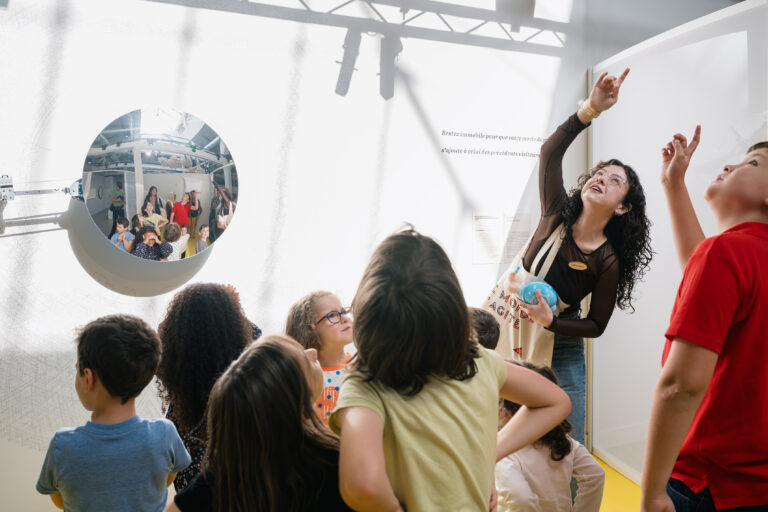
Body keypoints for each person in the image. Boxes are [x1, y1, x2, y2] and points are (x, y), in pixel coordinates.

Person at [330, 227, 571, 512]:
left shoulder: (365, 384)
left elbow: (363, 484)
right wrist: (489, 455)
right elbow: (556, 401)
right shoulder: (481, 361)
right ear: (454, 309)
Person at [496, 68, 652, 444]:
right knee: (494, 422)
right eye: (600, 173)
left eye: (615, 181)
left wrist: (552, 323)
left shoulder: (608, 261)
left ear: (622, 209)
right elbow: (550, 151)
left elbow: (597, 324)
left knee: (569, 441)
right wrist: (590, 110)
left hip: (560, 341)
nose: (601, 178)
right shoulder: (556, 211)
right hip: (509, 321)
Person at [640, 131, 768, 511]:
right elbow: (701, 272)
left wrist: (651, 494)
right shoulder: (740, 256)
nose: (730, 165)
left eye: (753, 163)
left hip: (708, 483)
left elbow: (681, 386)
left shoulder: (726, 253)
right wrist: (673, 183)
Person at [165, 335, 354, 512]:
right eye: (305, 362)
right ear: (299, 409)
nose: (312, 352)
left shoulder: (221, 479)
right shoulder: (335, 466)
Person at [36, 315, 191, 511]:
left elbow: (61, 499)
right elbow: (167, 478)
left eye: (77, 369)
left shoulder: (62, 446)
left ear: (87, 377)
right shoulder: (165, 434)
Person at [156, 283, 255, 492]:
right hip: (244, 487)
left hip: (193, 491)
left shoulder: (179, 381)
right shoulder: (242, 381)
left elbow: (160, 341)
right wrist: (230, 309)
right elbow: (256, 339)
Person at [496, 361, 604, 512]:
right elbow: (595, 474)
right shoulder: (564, 442)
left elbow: (521, 499)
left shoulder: (503, 451)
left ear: (508, 413)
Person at [285, 291, 354, 424]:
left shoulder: (360, 367)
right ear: (311, 329)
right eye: (333, 315)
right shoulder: (303, 376)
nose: (345, 318)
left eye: (343, 311)